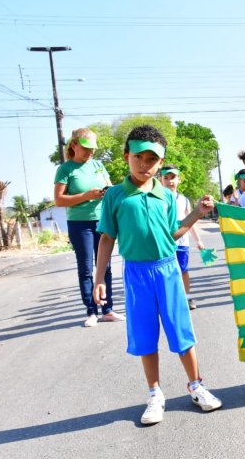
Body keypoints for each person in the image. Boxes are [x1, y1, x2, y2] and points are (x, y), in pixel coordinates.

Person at [93, 125, 222, 425]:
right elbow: (107, 239)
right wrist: (99, 278)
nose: (144, 164)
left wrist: (196, 215)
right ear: (127, 156)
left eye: (152, 159)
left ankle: (196, 386)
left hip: (167, 270)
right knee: (145, 335)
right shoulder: (114, 196)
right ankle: (155, 394)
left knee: (181, 331)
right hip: (136, 273)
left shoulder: (165, 196)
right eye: (138, 157)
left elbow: (172, 233)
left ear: (161, 163)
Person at [54, 128, 125, 328]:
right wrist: (87, 195)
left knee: (106, 267)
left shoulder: (99, 165)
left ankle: (108, 309)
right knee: (86, 268)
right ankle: (91, 311)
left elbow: (109, 186)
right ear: (74, 145)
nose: (90, 153)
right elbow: (59, 200)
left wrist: (109, 192)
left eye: (93, 149)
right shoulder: (65, 169)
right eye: (86, 148)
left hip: (102, 221)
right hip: (79, 224)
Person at [159, 164, 204, 311]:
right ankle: (168, 299)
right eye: (166, 178)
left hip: (182, 243)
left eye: (173, 177)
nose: (170, 181)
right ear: (160, 180)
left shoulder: (184, 200)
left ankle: (187, 296)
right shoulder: (157, 198)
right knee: (165, 271)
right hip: (163, 243)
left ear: (179, 180)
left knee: (183, 270)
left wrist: (198, 240)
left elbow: (191, 221)